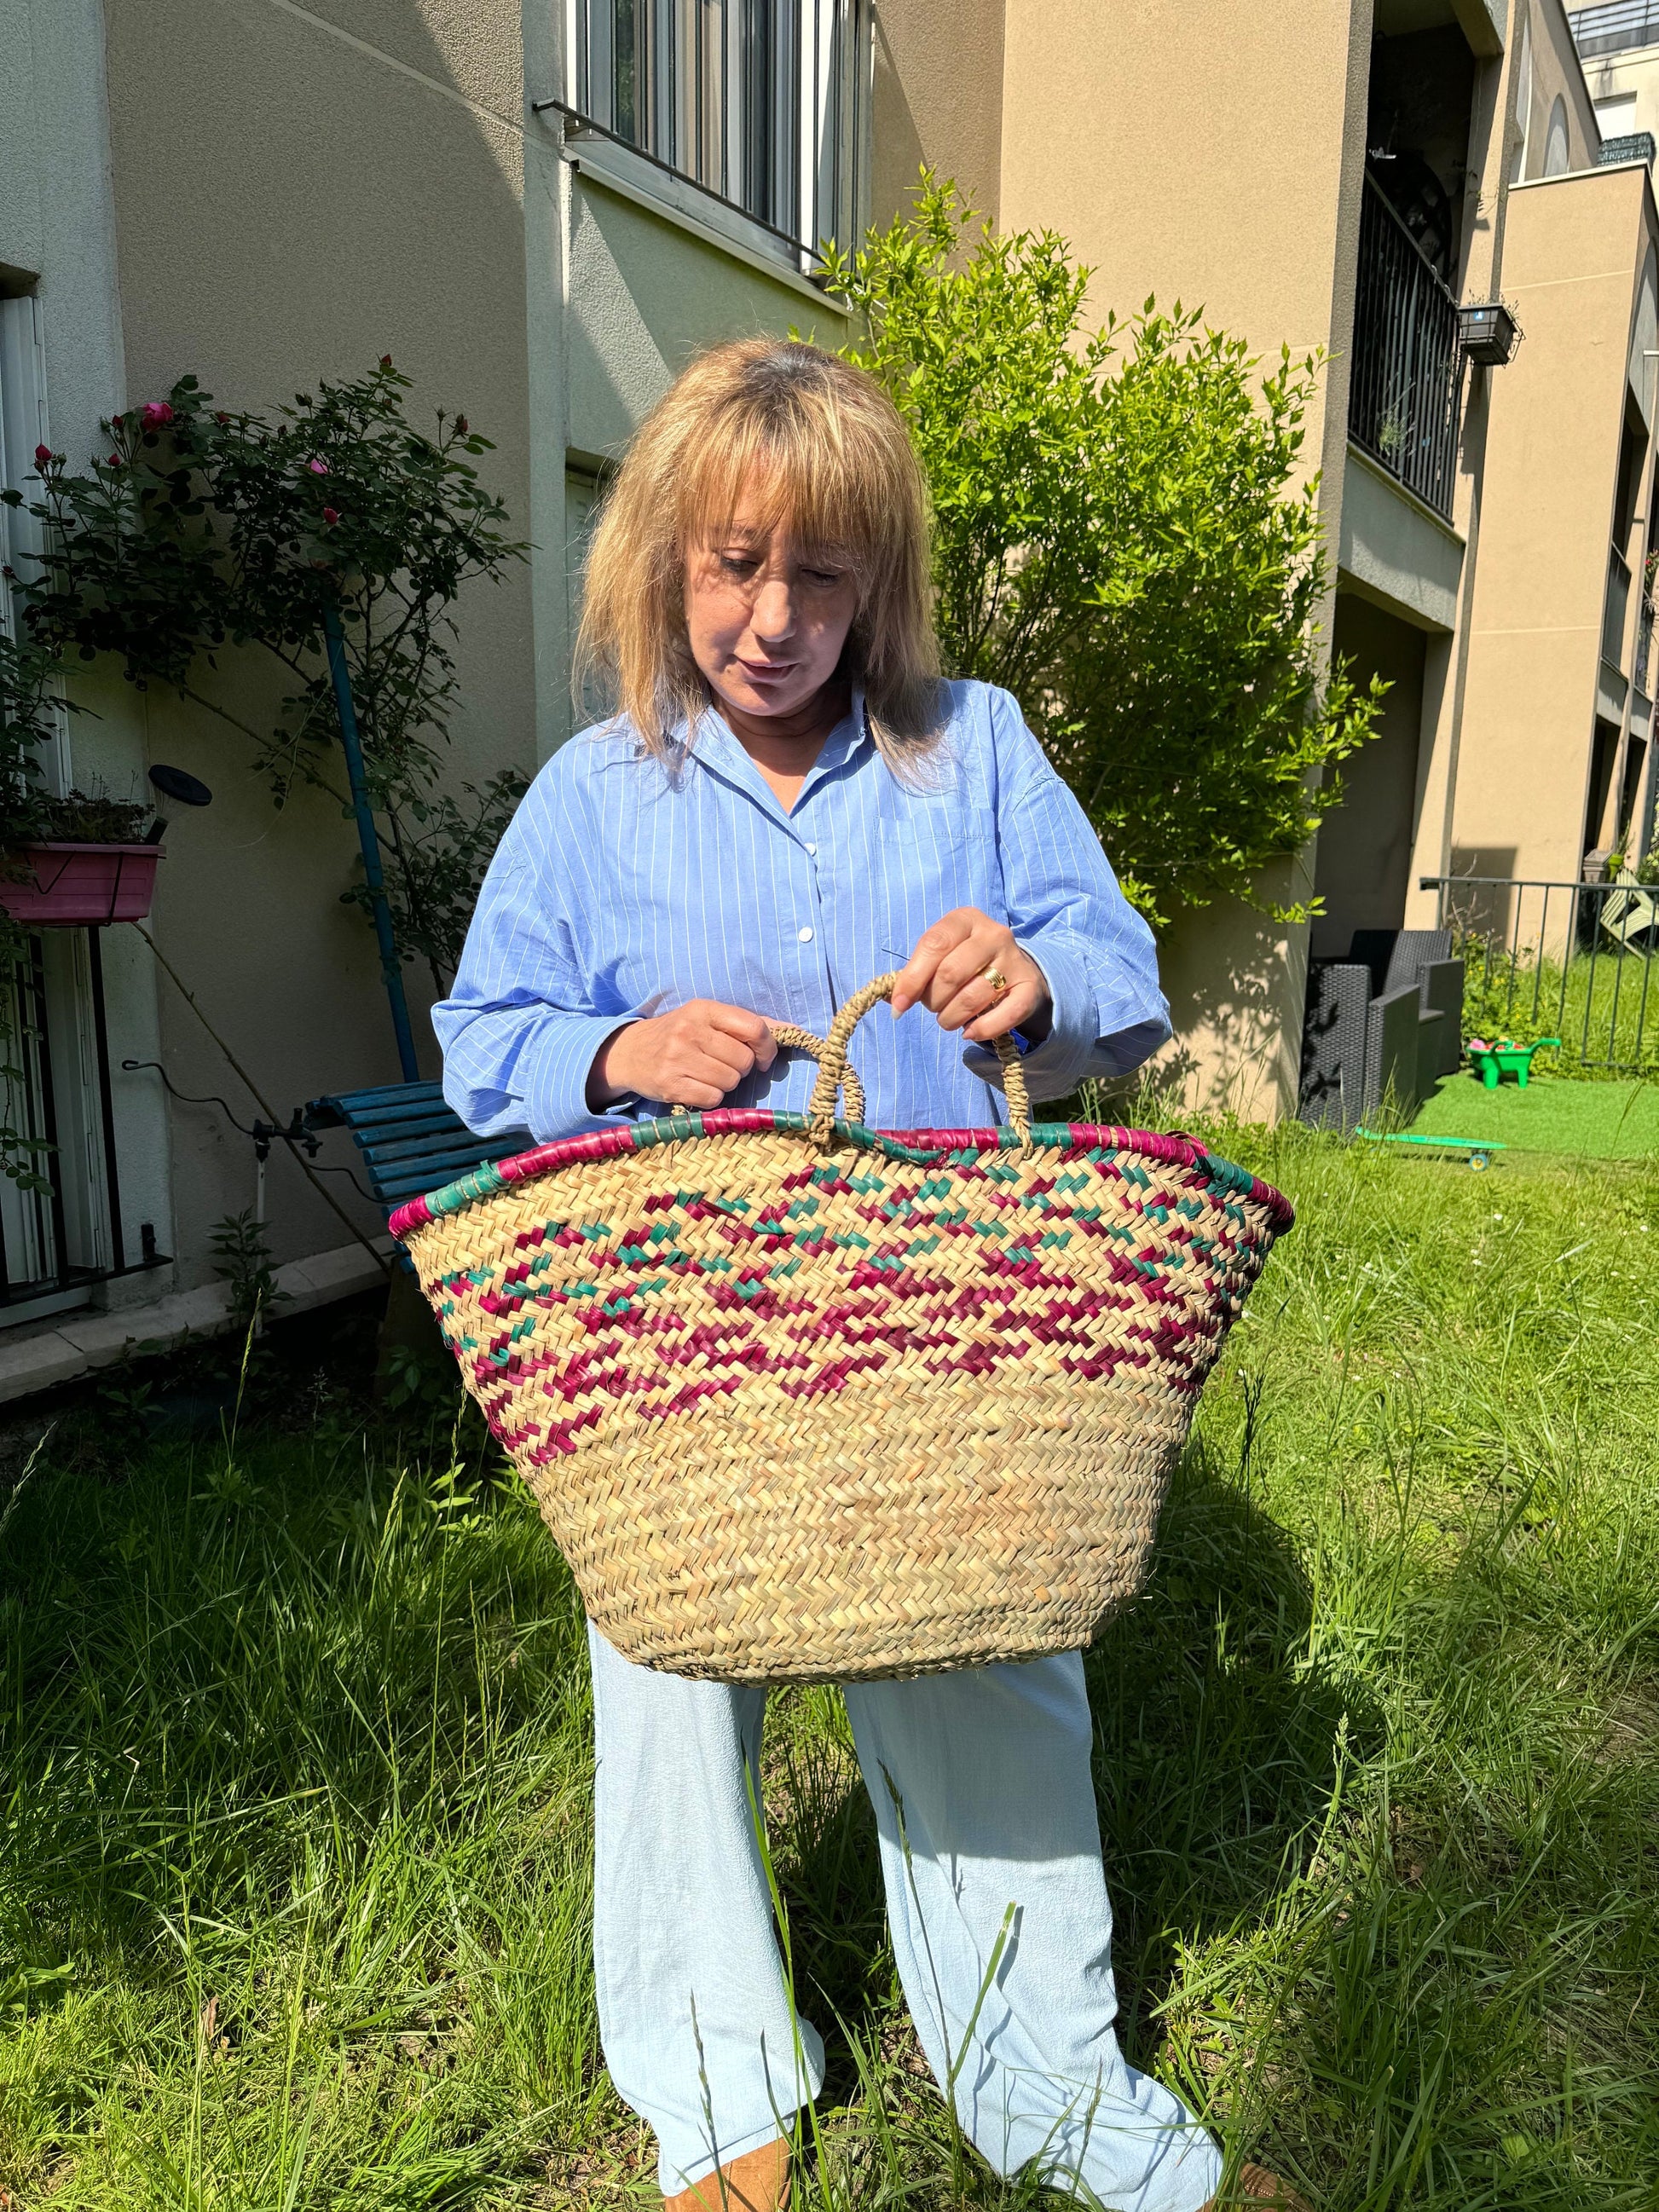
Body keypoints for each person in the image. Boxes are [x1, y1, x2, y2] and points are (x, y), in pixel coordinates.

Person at [436, 338, 1298, 2212]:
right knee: (669, 1679)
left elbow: (1117, 967)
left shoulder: (970, 746)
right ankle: (716, 2084)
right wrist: (605, 1054)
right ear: (662, 560)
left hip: (959, 1325)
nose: (771, 615)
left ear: (877, 580)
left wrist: (1041, 983)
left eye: (819, 573)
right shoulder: (595, 795)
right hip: (685, 1342)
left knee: (992, 1658)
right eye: (732, 564)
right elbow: (477, 1029)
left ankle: (1046, 2071)